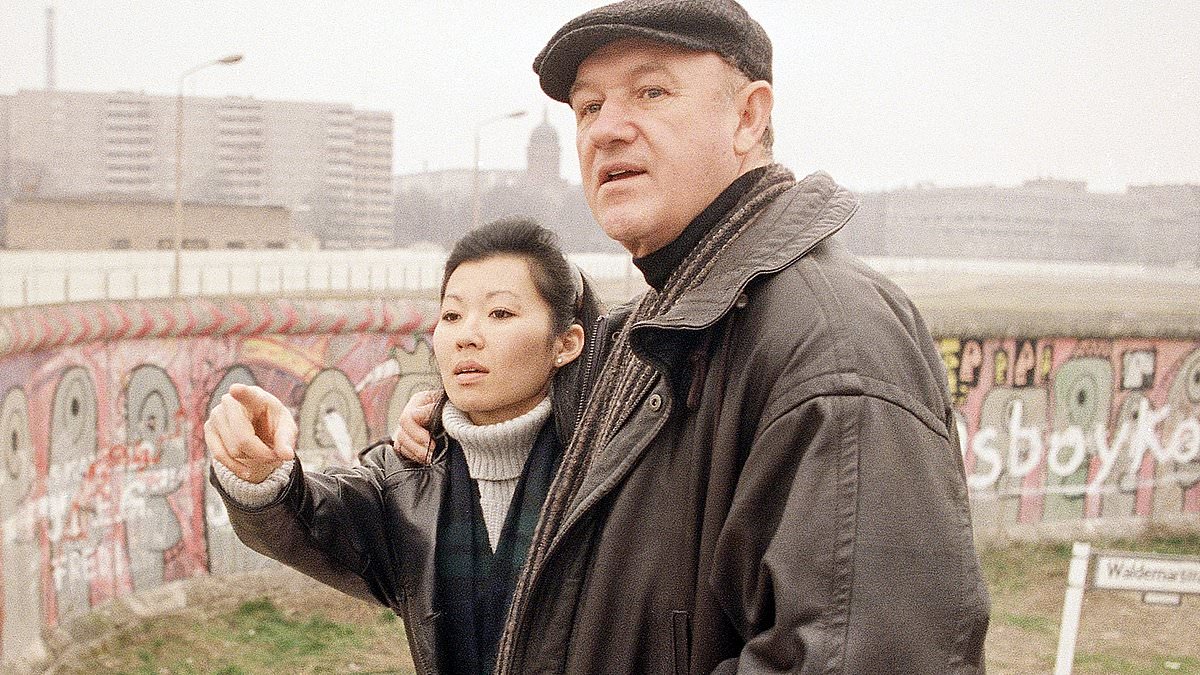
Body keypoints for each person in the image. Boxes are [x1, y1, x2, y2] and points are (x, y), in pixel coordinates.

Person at [394, 1, 991, 673]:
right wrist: (447, 415)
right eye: (589, 107)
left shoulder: (834, 344)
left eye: (651, 91)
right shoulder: (654, 328)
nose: (606, 131)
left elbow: (866, 655)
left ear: (748, 117)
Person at [204, 219, 602, 674]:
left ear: (566, 343)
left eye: (500, 314)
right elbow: (312, 520)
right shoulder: (410, 478)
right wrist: (259, 474)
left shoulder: (612, 467)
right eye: (452, 315)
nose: (466, 335)